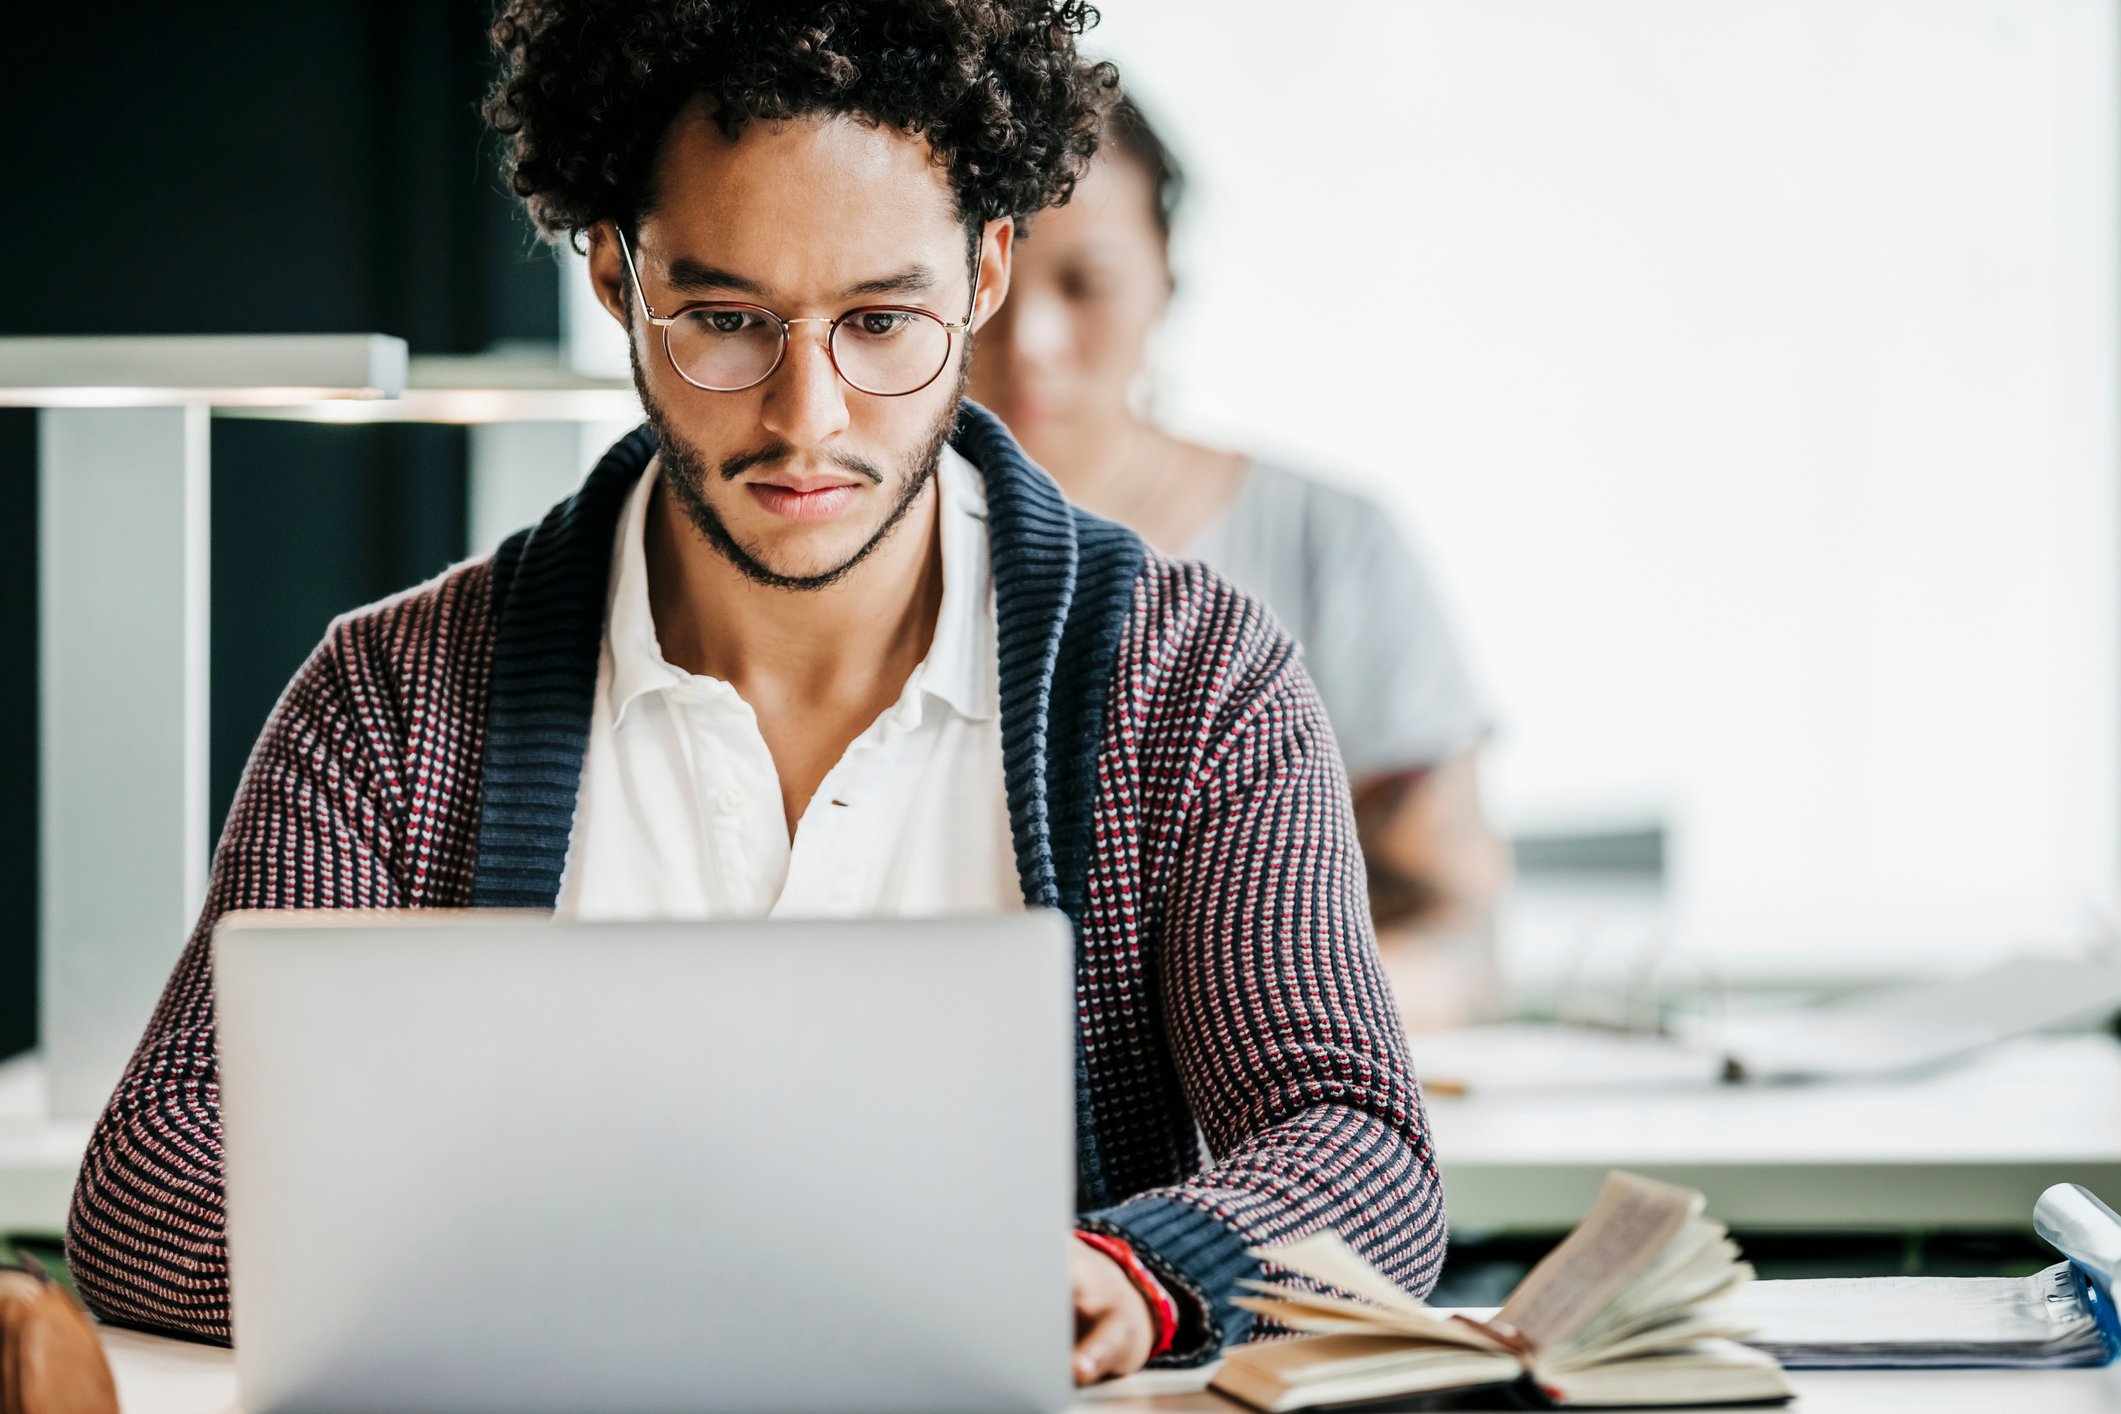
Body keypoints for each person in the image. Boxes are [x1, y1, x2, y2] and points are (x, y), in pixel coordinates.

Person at [64, 0, 1443, 1385]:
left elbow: (1354, 1139)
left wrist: (1140, 1271)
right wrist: (659, 1272)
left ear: (987, 269)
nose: (808, 419)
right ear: (612, 273)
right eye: (725, 320)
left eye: (882, 321)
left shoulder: (1190, 682)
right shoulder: (392, 699)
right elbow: (153, 1177)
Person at [969, 97, 1509, 1029]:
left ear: (1165, 281)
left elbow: (1462, 931)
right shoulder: (838, 550)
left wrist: (1249, 1036)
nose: (1031, 343)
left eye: (1085, 283)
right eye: (989, 287)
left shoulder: (1330, 548)